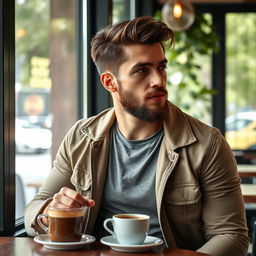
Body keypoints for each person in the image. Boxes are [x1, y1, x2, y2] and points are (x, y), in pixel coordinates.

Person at [25, 16, 249, 256]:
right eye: (142, 70)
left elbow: (231, 236)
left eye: (161, 67)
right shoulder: (81, 137)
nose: (158, 80)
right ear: (110, 82)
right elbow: (33, 211)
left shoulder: (207, 144)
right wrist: (49, 212)